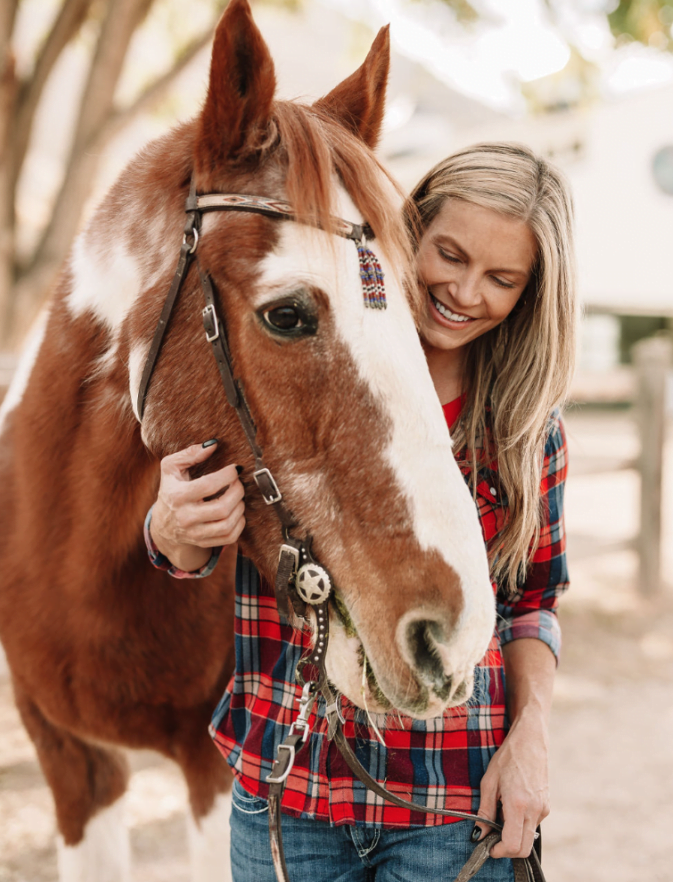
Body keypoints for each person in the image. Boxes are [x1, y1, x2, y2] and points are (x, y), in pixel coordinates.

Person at [146, 142, 575, 881]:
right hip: (287, 787)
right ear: (404, 231)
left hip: (452, 797)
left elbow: (531, 602)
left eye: (501, 278)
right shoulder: (286, 361)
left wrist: (530, 737)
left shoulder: (525, 432)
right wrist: (169, 526)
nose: (465, 292)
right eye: (449, 254)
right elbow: (190, 553)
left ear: (530, 294)